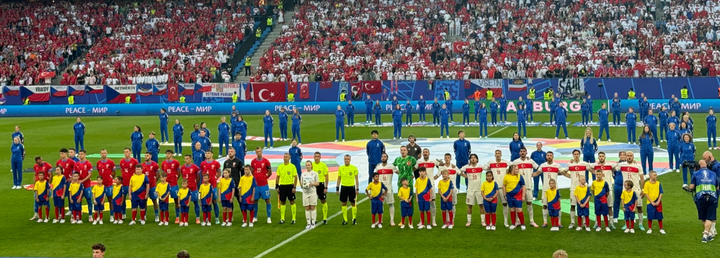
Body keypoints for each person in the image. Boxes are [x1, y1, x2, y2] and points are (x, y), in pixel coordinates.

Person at [534, 151, 566, 227]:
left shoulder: (557, 165)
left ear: (553, 156)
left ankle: (559, 222)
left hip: (555, 190)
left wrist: (571, 176)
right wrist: (528, 175)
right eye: (548, 155)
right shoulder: (542, 165)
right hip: (545, 189)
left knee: (557, 206)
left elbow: (563, 173)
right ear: (546, 157)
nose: (549, 156)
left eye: (550, 155)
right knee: (545, 205)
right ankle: (545, 222)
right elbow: (536, 173)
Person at [689, 160, 719, 242]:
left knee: (703, 218)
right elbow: (717, 187)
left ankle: (705, 235)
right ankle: (708, 235)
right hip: (712, 197)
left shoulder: (695, 174)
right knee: (709, 217)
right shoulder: (713, 173)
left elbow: (691, 187)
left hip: (701, 197)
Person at [563, 150, 594, 229]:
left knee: (584, 205)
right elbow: (563, 172)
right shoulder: (570, 164)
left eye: (577, 154)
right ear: (573, 155)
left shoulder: (584, 164)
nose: (576, 155)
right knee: (573, 205)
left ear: (580, 155)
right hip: (574, 188)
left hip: (584, 188)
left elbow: (591, 170)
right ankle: (572, 222)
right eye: (575, 154)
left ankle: (584, 223)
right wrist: (570, 176)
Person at [617, 151, 646, 231]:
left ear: (633, 157)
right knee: (626, 208)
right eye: (628, 155)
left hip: (636, 189)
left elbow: (642, 178)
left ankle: (640, 224)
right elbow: (613, 168)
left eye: (631, 156)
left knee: (639, 207)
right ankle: (626, 224)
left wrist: (643, 189)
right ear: (625, 157)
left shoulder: (638, 166)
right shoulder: (621, 165)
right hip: (625, 190)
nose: (629, 157)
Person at [592, 152, 618, 227]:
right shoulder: (595, 166)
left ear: (605, 157)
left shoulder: (610, 165)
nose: (601, 157)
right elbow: (587, 166)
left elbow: (619, 164)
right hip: (598, 190)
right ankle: (597, 222)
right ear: (598, 157)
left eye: (602, 156)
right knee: (598, 207)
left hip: (608, 188)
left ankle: (611, 223)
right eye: (600, 156)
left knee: (610, 206)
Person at [460, 154, 486, 227]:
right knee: (469, 205)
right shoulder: (467, 167)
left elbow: (488, 168)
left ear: (477, 159)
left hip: (479, 189)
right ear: (470, 160)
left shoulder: (480, 166)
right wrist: (464, 175)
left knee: (481, 205)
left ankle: (483, 221)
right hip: (470, 190)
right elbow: (459, 171)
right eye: (471, 158)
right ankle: (469, 221)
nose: (473, 159)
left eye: (474, 158)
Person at [375, 153, 398, 226]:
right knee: (380, 204)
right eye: (382, 156)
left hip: (389, 188)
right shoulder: (378, 167)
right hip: (380, 190)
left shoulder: (391, 166)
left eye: (385, 157)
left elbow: (399, 173)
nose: (383, 158)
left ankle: (392, 220)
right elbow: (376, 177)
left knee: (390, 204)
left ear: (387, 158)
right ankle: (380, 220)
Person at [251, 147, 273, 223]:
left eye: (260, 151)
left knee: (267, 200)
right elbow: (252, 172)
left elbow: (270, 172)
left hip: (264, 184)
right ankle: (255, 217)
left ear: (262, 152)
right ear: (255, 152)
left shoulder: (266, 161)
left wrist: (264, 177)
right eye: (257, 152)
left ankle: (269, 217)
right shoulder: (253, 162)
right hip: (256, 185)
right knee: (255, 200)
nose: (259, 153)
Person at [336, 155, 359, 225]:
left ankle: (354, 219)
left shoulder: (354, 168)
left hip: (351, 187)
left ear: (350, 160)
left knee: (353, 203)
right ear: (344, 160)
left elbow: (356, 179)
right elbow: (339, 178)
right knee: (343, 203)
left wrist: (357, 188)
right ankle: (345, 220)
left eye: (348, 159)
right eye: (345, 159)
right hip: (343, 187)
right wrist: (337, 188)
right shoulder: (341, 168)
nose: (346, 160)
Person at [276, 153, 298, 224]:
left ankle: (293, 218)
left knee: (292, 201)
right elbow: (278, 177)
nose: (285, 158)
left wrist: (294, 187)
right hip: (282, 186)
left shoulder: (292, 166)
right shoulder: (280, 167)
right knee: (282, 201)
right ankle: (282, 218)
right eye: (284, 157)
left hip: (290, 186)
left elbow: (295, 177)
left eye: (286, 157)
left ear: (289, 158)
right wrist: (277, 186)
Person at [201, 150, 221, 224]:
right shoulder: (203, 163)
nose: (207, 154)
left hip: (213, 185)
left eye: (208, 153)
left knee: (214, 201)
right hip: (204, 185)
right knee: (204, 201)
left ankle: (216, 217)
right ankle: (206, 218)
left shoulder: (216, 163)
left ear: (212, 154)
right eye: (206, 153)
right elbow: (202, 172)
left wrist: (216, 177)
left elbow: (219, 171)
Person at [503, 165, 526, 230]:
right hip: (509, 195)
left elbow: (523, 186)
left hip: (518, 195)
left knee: (519, 209)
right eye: (516, 169)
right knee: (512, 209)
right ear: (511, 170)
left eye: (517, 169)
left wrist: (523, 196)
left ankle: (522, 224)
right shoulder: (506, 176)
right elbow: (504, 185)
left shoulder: (519, 176)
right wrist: (504, 194)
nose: (517, 170)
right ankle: (513, 224)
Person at [181, 155, 201, 224]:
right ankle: (184, 218)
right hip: (185, 189)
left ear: (190, 159)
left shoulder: (195, 167)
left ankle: (197, 217)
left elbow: (198, 177)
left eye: (187, 159)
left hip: (193, 188)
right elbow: (182, 176)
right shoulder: (182, 167)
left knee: (195, 202)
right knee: (185, 204)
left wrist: (195, 183)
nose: (185, 160)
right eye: (185, 159)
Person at [74, 150, 94, 221]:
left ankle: (90, 215)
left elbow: (90, 174)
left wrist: (82, 180)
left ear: (85, 155)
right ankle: (78, 214)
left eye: (82, 154)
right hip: (78, 186)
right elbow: (75, 174)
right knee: (78, 200)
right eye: (79, 154)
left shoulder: (88, 164)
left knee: (89, 200)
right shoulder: (76, 164)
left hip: (87, 185)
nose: (80, 155)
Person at [300, 161, 320, 228]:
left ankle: (313, 223)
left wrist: (312, 184)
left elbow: (318, 183)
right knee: (307, 207)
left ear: (311, 166)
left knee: (312, 207)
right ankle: (308, 223)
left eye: (309, 165)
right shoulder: (303, 174)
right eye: (306, 165)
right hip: (305, 193)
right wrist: (303, 185)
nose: (307, 166)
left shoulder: (315, 174)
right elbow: (301, 183)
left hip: (312, 192)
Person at [312, 152, 330, 224]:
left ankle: (325, 218)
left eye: (318, 156)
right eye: (315, 156)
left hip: (321, 185)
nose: (316, 157)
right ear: (314, 157)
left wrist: (326, 187)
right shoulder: (311, 165)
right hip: (313, 185)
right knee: (313, 202)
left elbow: (326, 177)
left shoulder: (323, 165)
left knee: (323, 200)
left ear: (320, 157)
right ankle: (314, 218)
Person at [612, 152, 627, 223]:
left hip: (627, 185)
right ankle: (615, 216)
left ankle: (629, 216)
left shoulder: (630, 164)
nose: (623, 156)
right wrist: (617, 179)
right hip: (618, 184)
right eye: (621, 155)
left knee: (628, 200)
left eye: (624, 155)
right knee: (617, 200)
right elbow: (613, 173)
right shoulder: (616, 164)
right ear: (619, 156)